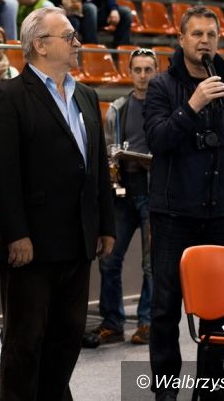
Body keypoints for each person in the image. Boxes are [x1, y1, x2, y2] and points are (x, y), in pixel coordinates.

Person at [0, 7, 115, 400]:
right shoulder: (7, 96)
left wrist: (106, 224)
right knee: (25, 343)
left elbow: (97, 168)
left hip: (78, 241)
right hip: (32, 246)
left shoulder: (86, 95)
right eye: (69, 36)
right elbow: (0, 174)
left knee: (67, 337)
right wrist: (16, 234)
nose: (77, 42)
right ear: (40, 44)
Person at [143, 6, 224, 401]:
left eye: (211, 34)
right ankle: (166, 390)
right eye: (196, 34)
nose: (204, 41)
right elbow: (157, 140)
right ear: (182, 39)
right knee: (165, 308)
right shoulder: (161, 86)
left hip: (219, 214)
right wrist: (192, 105)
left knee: (218, 307)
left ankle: (211, 385)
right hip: (173, 215)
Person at [83, 48, 157, 349]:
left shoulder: (163, 107)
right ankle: (112, 323)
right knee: (109, 259)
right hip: (124, 193)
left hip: (154, 193)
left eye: (148, 70)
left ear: (156, 71)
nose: (143, 75)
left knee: (151, 265)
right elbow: (108, 148)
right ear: (130, 72)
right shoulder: (118, 108)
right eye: (137, 69)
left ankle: (147, 322)